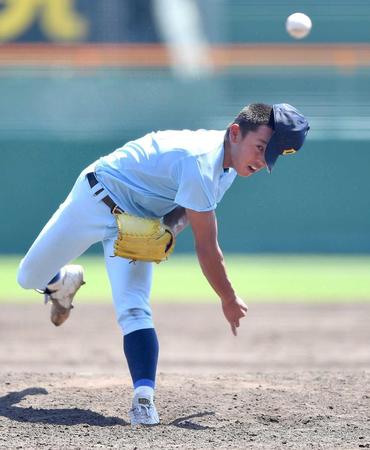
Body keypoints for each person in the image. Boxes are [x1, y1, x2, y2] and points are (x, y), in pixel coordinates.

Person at [17, 102, 309, 426]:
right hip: (95, 198)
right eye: (260, 148)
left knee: (134, 309)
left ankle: (143, 399)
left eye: (270, 155)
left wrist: (166, 229)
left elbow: (182, 211)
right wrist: (227, 297)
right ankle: (61, 282)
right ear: (236, 133)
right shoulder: (200, 160)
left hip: (136, 221)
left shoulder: (225, 168)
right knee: (28, 276)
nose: (261, 160)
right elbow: (207, 248)